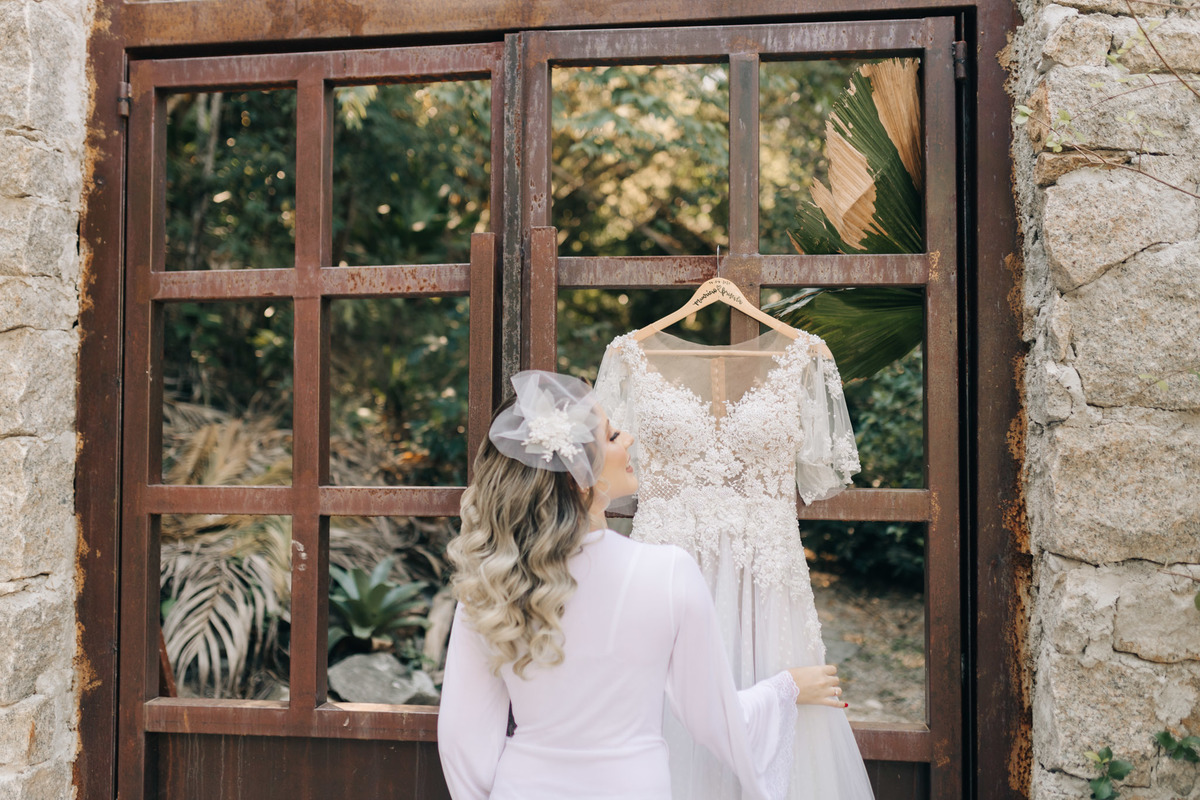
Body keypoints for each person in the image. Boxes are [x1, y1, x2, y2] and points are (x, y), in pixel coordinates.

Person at [437, 371, 846, 800]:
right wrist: (785, 689)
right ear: (579, 476)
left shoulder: (491, 584)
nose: (629, 438)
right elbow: (713, 719)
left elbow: (463, 743)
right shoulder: (668, 572)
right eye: (612, 435)